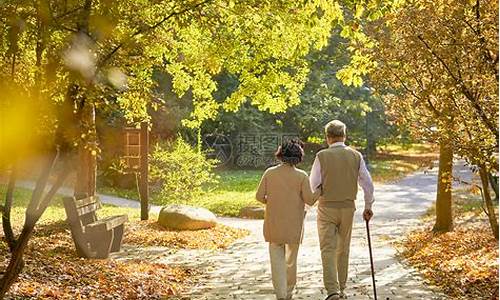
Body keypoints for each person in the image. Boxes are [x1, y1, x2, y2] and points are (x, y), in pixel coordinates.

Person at [310, 120, 374, 300]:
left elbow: (313, 184)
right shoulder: (355, 156)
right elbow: (367, 183)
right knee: (343, 249)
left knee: (327, 249)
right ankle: (342, 288)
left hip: (326, 208)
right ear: (344, 136)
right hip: (348, 208)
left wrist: (307, 205)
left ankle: (333, 291)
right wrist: (368, 205)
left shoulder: (321, 156)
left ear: (327, 137)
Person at [256, 139, 319, 300]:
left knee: (276, 263)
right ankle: (289, 292)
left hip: (274, 224)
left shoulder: (270, 173)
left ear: (280, 154)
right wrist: (320, 190)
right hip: (294, 226)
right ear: (299, 156)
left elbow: (259, 196)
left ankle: (280, 295)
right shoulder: (301, 176)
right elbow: (310, 200)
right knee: (291, 261)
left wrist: (271, 201)